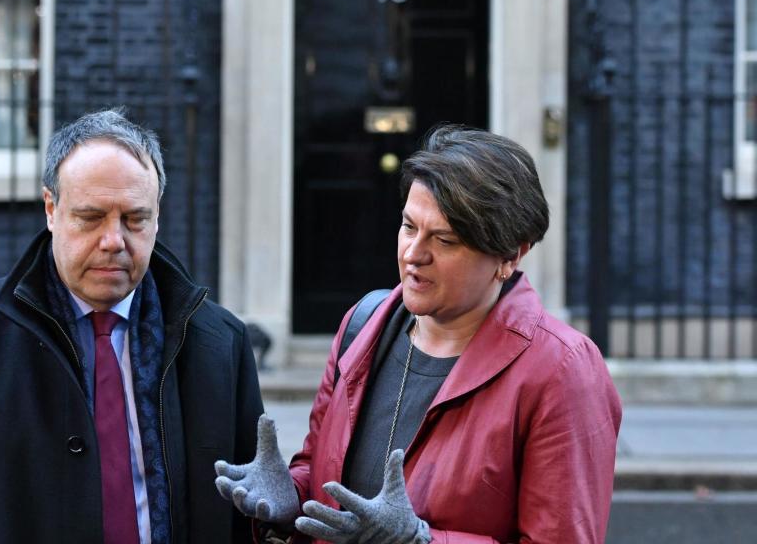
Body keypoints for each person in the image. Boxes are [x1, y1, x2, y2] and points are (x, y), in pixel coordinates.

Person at [0, 108, 264, 544]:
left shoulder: (221, 343)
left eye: (135, 218)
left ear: (157, 215)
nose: (113, 241)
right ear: (51, 209)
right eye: (91, 217)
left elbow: (248, 520)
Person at [215, 125, 622, 543]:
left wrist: (419, 540)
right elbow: (321, 465)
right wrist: (292, 498)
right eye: (409, 227)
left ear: (510, 254)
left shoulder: (561, 370)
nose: (414, 254)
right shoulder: (363, 324)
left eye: (444, 240)